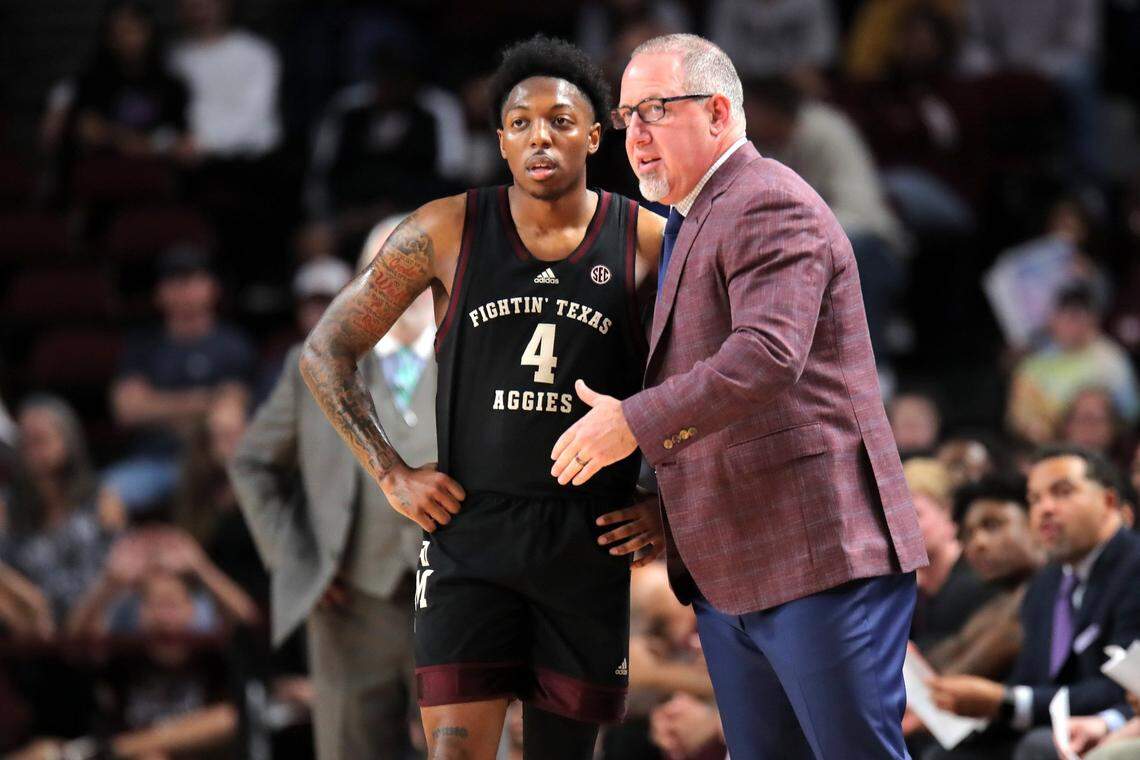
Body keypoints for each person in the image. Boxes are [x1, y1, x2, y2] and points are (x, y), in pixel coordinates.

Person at [553, 32, 926, 759]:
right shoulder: (698, 216)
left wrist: (632, 423)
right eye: (629, 117)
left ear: (720, 112)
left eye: (656, 110)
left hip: (816, 553)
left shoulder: (767, 202)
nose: (636, 136)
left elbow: (766, 357)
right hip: (732, 563)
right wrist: (667, 505)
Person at [297, 36, 666, 760]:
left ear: (595, 134)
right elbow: (325, 352)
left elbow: (700, 387)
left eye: (560, 121)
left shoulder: (648, 239)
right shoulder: (445, 228)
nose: (540, 137)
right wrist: (391, 472)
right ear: (499, 140)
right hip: (473, 536)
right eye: (521, 122)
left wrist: (663, 503)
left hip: (587, 538)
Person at [230, 230, 437, 760]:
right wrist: (293, 556)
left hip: (456, 595)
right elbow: (252, 463)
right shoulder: (314, 360)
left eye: (421, 268)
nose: (406, 283)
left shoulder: (482, 351)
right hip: (350, 601)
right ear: (363, 284)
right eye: (389, 269)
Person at [924, 446, 1140, 760]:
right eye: (1035, 499)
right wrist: (983, 709)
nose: (1045, 509)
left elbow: (1123, 688)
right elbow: (1029, 678)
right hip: (1048, 726)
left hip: (1102, 727)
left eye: (1062, 492)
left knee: (1037, 747)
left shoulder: (1133, 565)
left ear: (1108, 502)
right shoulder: (1047, 581)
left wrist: (1006, 701)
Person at [106, 244, 255, 512]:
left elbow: (232, 408)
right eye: (174, 280)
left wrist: (156, 406)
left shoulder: (233, 344)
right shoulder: (143, 345)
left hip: (216, 463)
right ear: (159, 293)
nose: (184, 289)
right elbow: (127, 409)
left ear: (212, 287)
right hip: (156, 461)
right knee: (108, 494)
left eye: (192, 279)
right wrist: (204, 401)